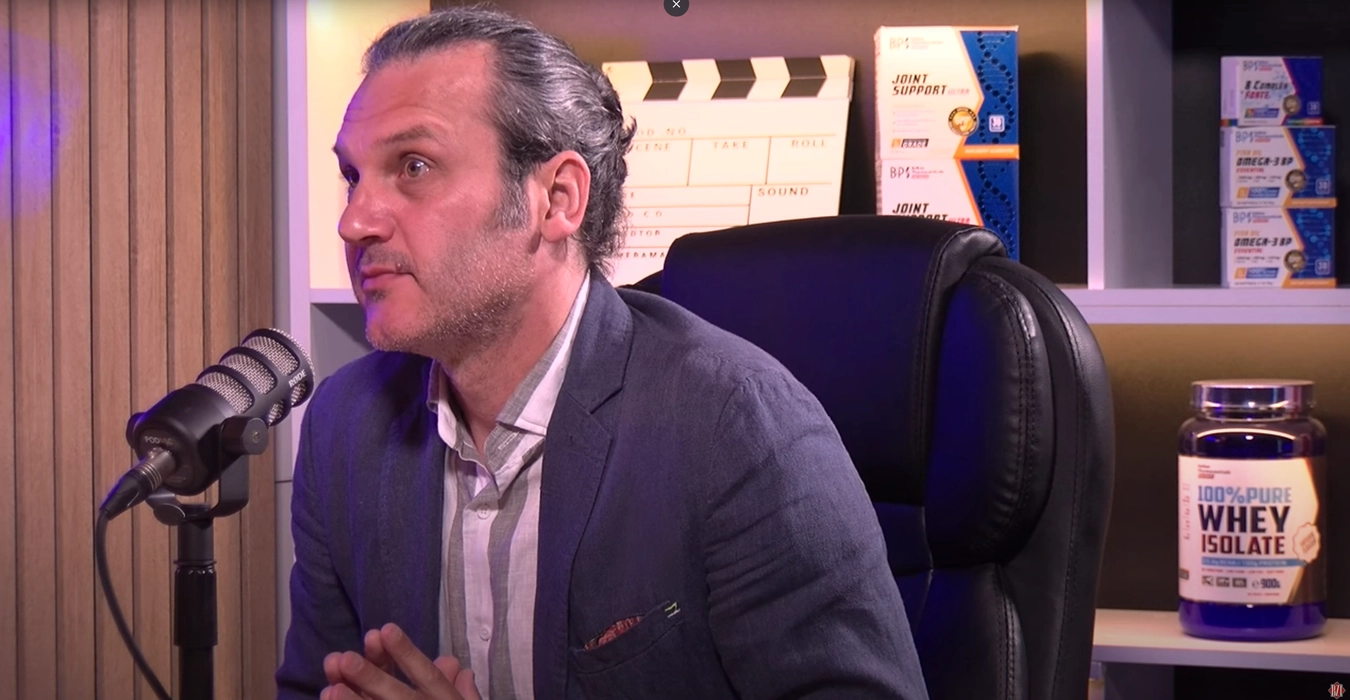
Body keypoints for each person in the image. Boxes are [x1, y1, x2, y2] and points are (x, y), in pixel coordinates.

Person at [276, 5, 930, 699]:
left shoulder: (736, 425)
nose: (354, 221)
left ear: (557, 198)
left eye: (414, 166)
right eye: (353, 176)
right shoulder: (345, 426)